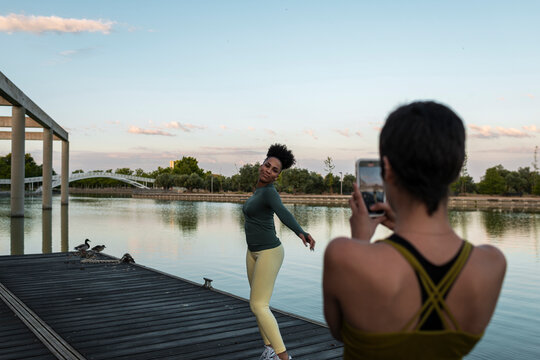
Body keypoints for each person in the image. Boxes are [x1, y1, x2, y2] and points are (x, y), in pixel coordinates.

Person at [323, 101, 506, 359]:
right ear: (456, 170)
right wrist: (401, 229)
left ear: (387, 170)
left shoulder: (344, 256)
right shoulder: (491, 265)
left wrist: (361, 240)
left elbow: (340, 331)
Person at [243, 143, 316, 360]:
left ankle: (284, 358)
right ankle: (269, 351)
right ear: (261, 165)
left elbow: (283, 213)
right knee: (256, 305)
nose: (269, 170)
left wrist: (301, 232)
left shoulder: (270, 193)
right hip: (252, 252)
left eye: (274, 170)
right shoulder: (259, 190)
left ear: (277, 176)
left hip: (269, 252)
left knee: (259, 304)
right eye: (267, 165)